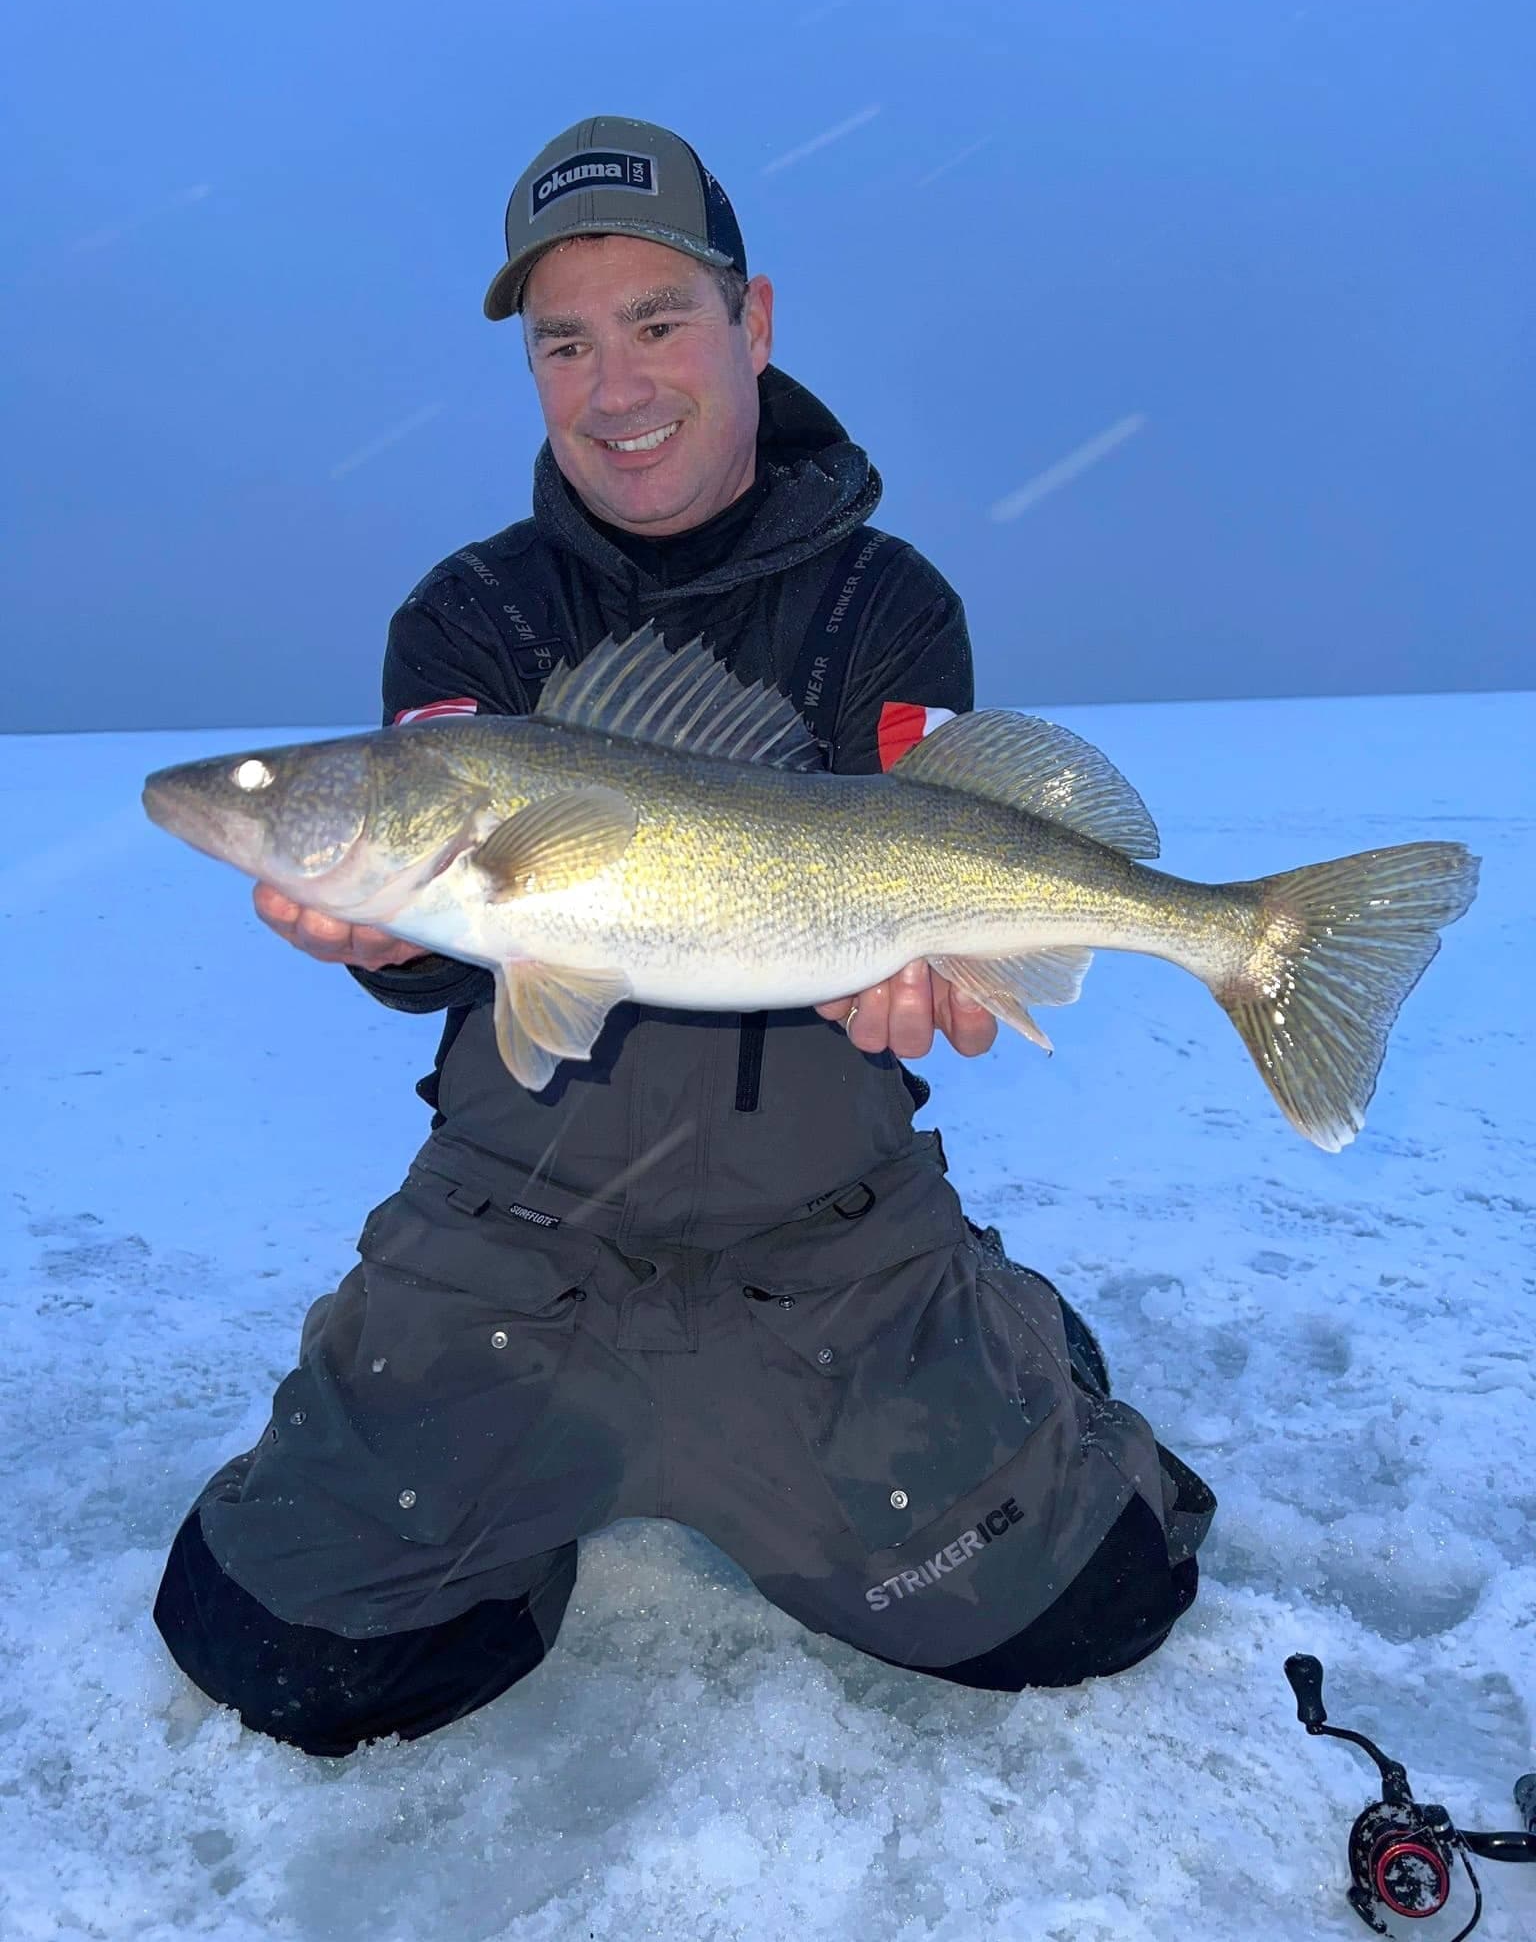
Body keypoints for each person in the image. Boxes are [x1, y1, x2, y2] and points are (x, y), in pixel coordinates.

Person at [153, 117, 1214, 1757]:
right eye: (564, 343)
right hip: (513, 1227)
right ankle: (515, 1498)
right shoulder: (470, 617)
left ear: (753, 322)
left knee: (1087, 1604)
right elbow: (454, 943)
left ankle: (1003, 1335)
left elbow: (920, 862)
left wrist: (939, 984)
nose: (617, 384)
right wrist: (390, 946)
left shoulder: (884, 603)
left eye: (658, 321)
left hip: (824, 1227)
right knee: (283, 1651)